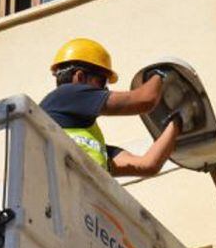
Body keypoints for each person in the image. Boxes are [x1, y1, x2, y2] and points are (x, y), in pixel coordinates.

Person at [40, 38, 181, 176]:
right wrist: (159, 74)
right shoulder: (67, 94)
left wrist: (177, 122)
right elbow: (145, 100)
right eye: (102, 81)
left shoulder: (94, 146)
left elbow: (147, 165)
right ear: (80, 77)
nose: (105, 89)